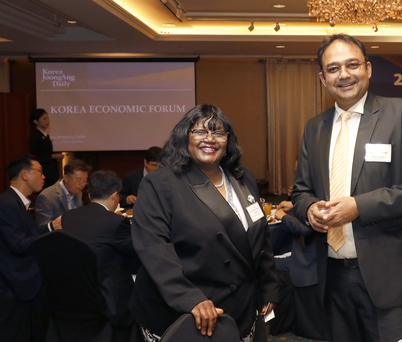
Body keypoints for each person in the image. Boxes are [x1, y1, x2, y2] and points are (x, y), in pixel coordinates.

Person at [291, 34, 402, 341]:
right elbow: (300, 191)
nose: (344, 74)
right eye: (333, 69)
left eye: (352, 65)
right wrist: (308, 208)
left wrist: (359, 206)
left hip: (390, 275)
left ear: (369, 69)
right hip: (331, 276)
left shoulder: (400, 112)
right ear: (323, 78)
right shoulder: (314, 127)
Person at [129, 104, 279, 342]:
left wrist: (269, 285)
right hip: (186, 309)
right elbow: (154, 248)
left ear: (227, 140)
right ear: (184, 137)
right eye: (200, 131)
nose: (210, 139)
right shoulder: (161, 183)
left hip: (240, 304)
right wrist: (189, 298)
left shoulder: (243, 177)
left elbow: (261, 237)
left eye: (218, 133)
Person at [60, 170, 138, 326]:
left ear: (89, 195)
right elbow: (136, 251)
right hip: (108, 299)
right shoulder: (116, 222)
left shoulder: (68, 216)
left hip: (72, 295)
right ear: (115, 195)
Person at [0, 155, 61, 341]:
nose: (44, 177)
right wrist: (53, 235)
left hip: (25, 283)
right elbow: (18, 244)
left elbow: (27, 233)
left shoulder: (17, 201)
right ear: (25, 175)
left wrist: (51, 227)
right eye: (40, 171)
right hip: (15, 285)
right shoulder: (8, 204)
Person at [269, 200, 329, 340]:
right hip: (310, 251)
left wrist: (283, 216)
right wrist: (294, 206)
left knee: (269, 266)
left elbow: (306, 228)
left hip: (313, 258)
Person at [35, 159, 90, 227]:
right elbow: (43, 227)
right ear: (66, 178)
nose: (82, 184)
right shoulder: (47, 196)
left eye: (85, 181)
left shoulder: (79, 193)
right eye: (78, 180)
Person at [28, 108, 64, 189]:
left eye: (48, 118)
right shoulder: (35, 137)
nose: (47, 121)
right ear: (36, 121)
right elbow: (36, 157)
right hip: (44, 173)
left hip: (50, 173)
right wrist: (53, 156)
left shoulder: (45, 135)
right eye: (44, 119)